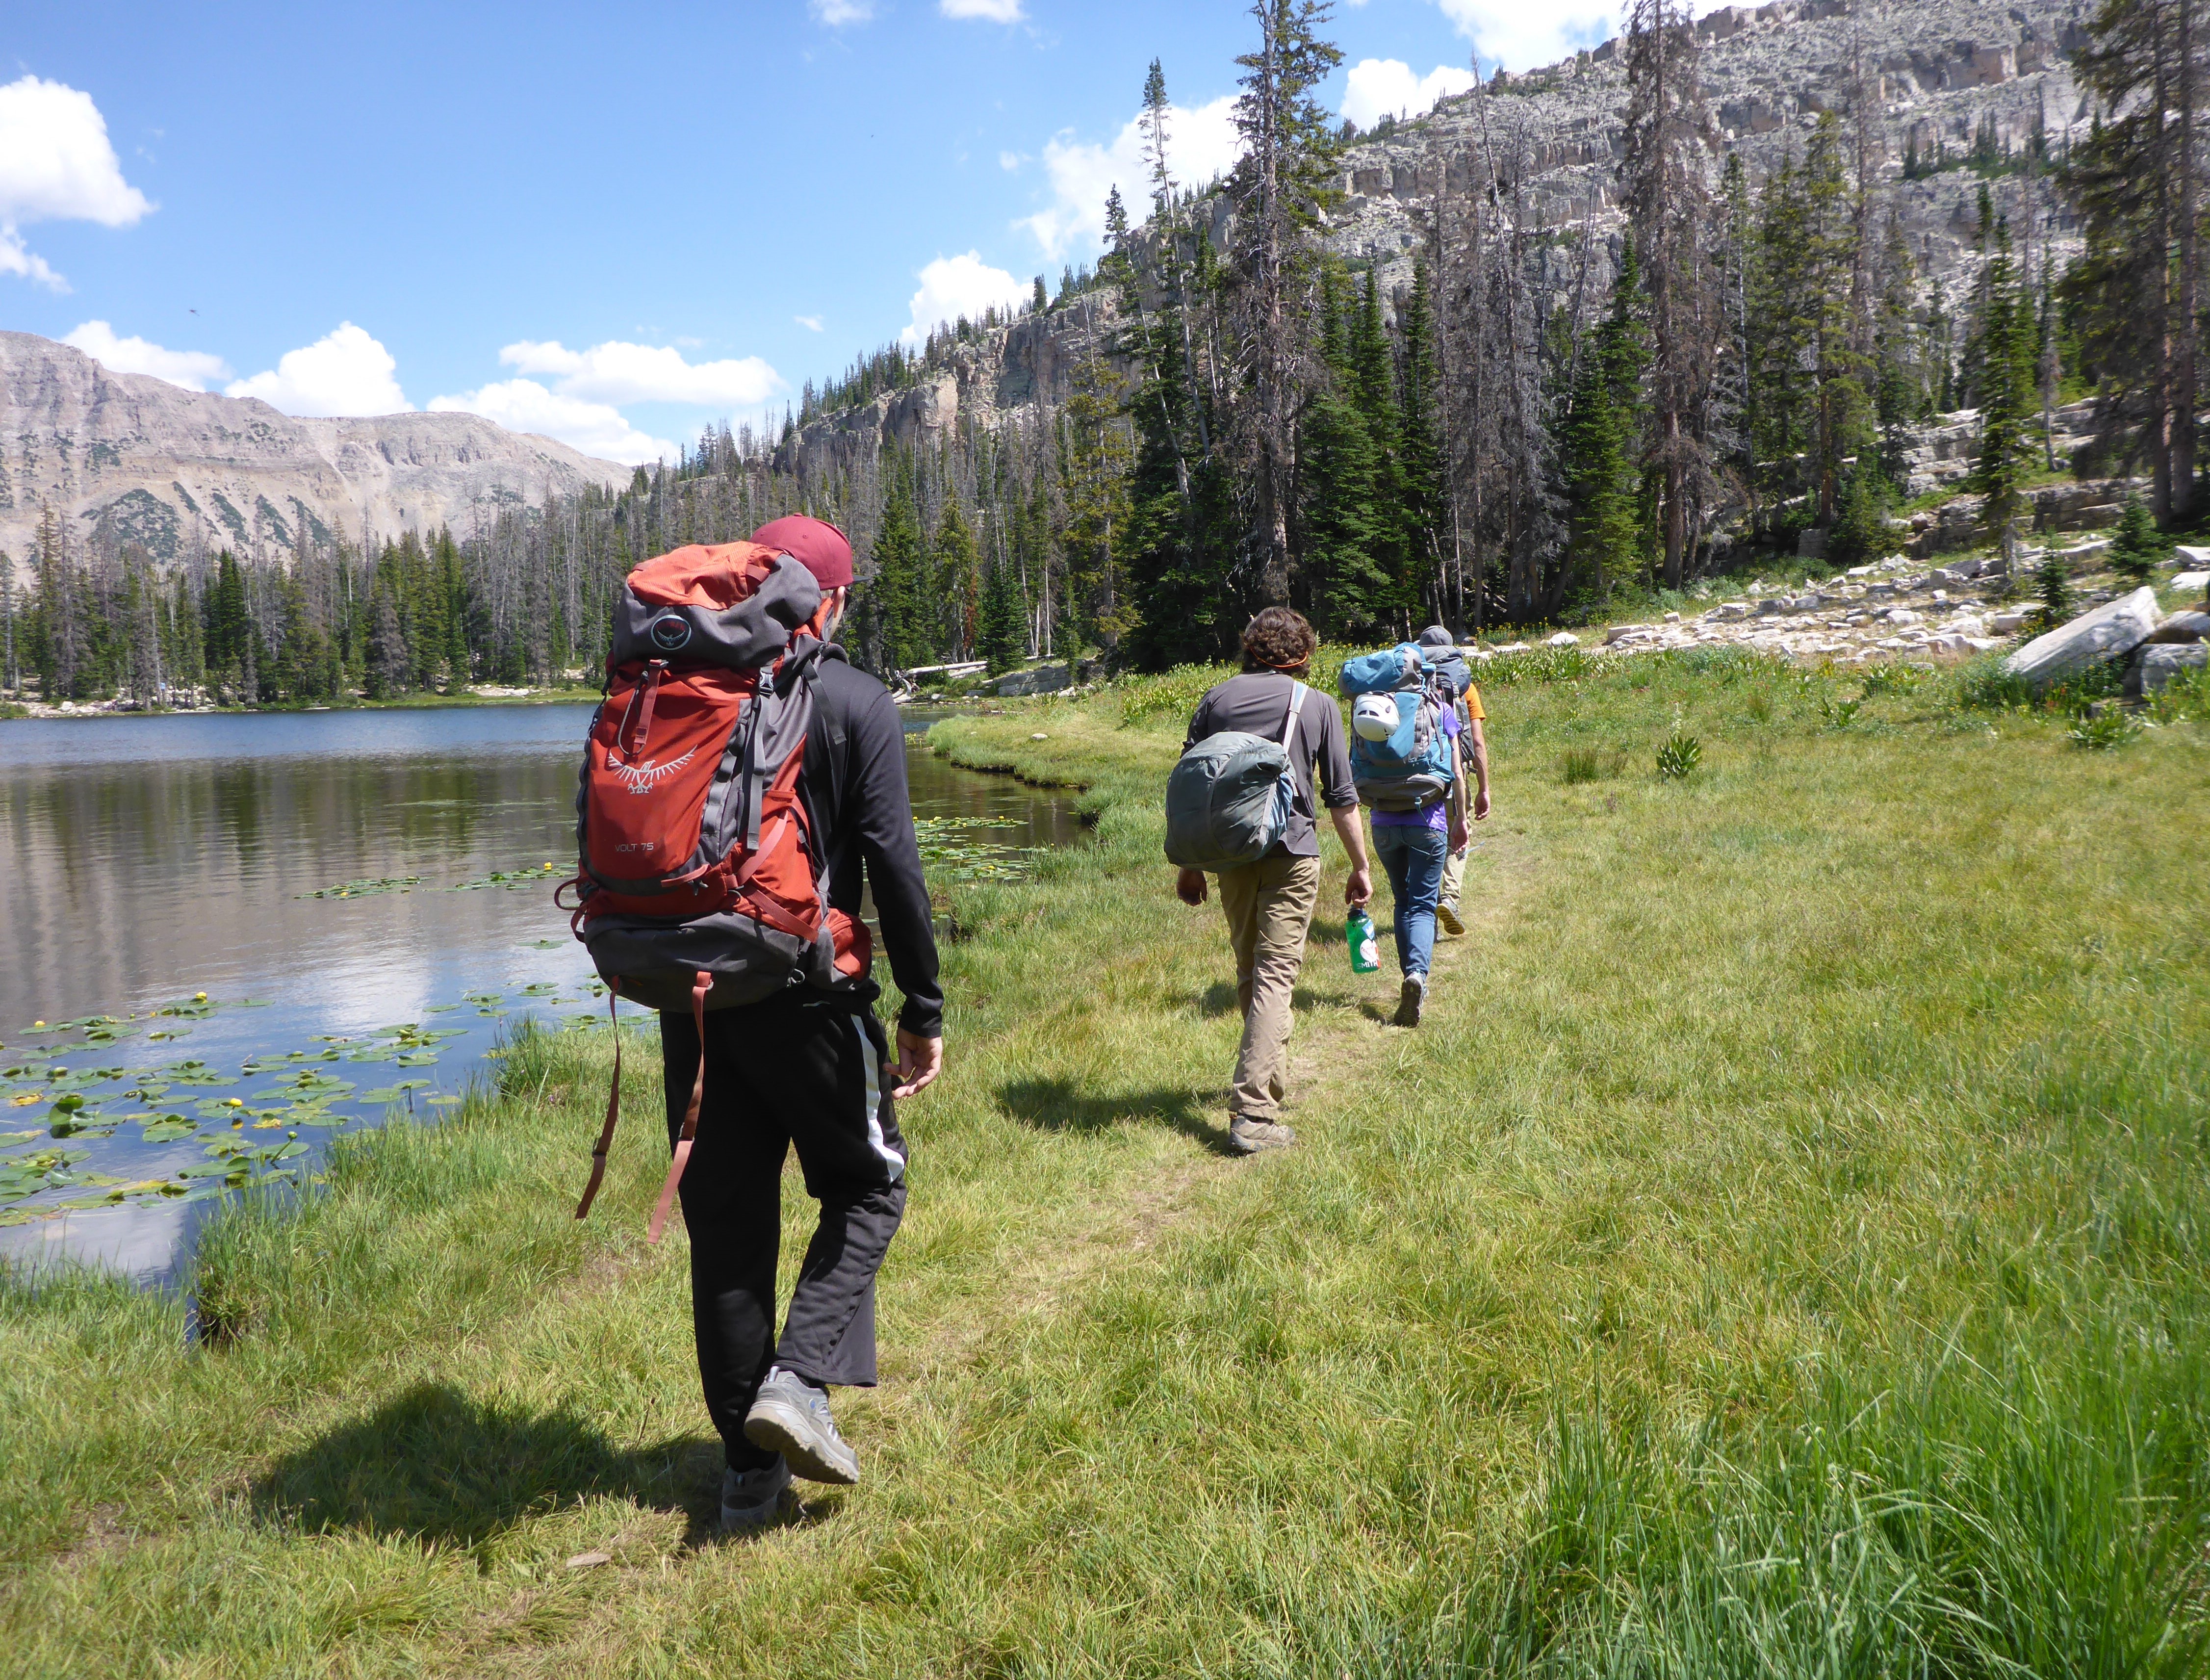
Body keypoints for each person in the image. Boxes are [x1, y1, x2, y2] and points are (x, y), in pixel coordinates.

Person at [666, 513, 944, 1534]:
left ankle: (747, 1479)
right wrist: (925, 1005)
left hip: (694, 1000)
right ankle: (797, 1378)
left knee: (728, 1235)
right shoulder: (855, 697)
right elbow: (895, 865)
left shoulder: (683, 686)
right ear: (826, 600)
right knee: (870, 1184)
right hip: (810, 992)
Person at [1176, 607, 1372, 1154]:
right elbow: (1342, 798)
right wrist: (1360, 865)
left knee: (1250, 969)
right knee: (1276, 975)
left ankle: (1265, 1080)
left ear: (1249, 648)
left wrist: (1191, 864)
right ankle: (1255, 1113)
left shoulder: (1216, 698)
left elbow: (1191, 790)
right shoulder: (1319, 705)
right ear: (1304, 655)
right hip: (1292, 851)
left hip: (1230, 854)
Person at [1417, 625, 1493, 937]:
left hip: (1413, 776)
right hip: (1451, 775)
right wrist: (1484, 789)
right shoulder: (1463, 685)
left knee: (1423, 843)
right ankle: (1449, 897)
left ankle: (1425, 919)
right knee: (1457, 837)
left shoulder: (1407, 681)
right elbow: (1476, 744)